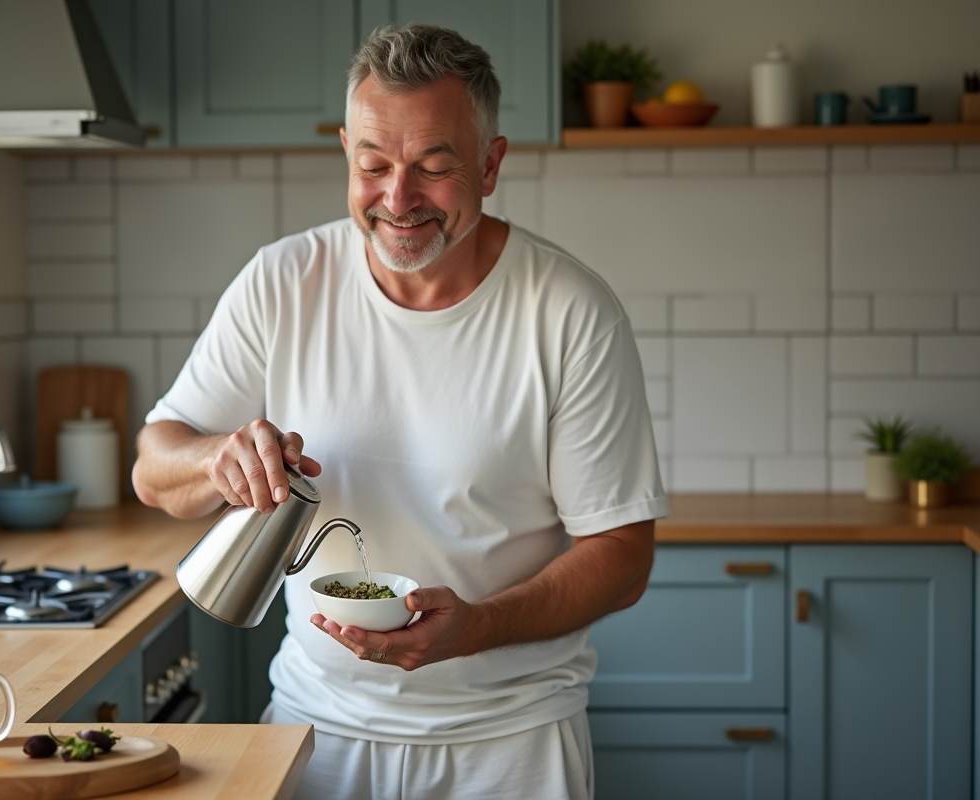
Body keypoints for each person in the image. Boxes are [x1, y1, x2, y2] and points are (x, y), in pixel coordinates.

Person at [133, 24, 669, 800]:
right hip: (316, 733)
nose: (398, 199)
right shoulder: (284, 282)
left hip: (511, 744)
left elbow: (622, 557)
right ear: (346, 151)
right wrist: (217, 457)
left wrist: (478, 627)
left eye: (434, 166)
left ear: (490, 163)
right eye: (373, 165)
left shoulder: (569, 311)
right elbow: (156, 467)